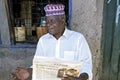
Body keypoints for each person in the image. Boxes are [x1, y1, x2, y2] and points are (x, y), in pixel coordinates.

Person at [11, 3, 92, 80]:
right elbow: (38, 65)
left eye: (52, 21)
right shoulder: (43, 41)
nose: (48, 24)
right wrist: (28, 72)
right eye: (46, 21)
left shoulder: (78, 39)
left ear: (62, 19)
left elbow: (86, 64)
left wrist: (81, 78)